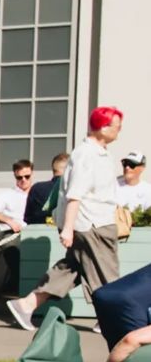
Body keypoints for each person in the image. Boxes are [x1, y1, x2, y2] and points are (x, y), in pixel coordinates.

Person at [8, 106, 125, 331]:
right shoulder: (86, 154)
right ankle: (112, 318)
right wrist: (68, 228)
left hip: (92, 222)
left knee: (72, 269)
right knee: (107, 272)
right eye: (116, 126)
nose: (119, 130)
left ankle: (27, 304)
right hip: (92, 223)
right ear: (102, 127)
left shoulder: (98, 152)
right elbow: (75, 194)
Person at [0, 160, 35, 234]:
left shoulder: (38, 192)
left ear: (32, 173)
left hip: (35, 232)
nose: (23, 180)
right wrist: (9, 221)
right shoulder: (8, 195)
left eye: (27, 176)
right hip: (14, 233)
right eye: (19, 177)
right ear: (15, 176)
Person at [24, 153, 69, 225]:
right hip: (67, 232)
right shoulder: (71, 189)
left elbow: (28, 218)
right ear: (69, 169)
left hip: (40, 233)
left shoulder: (37, 188)